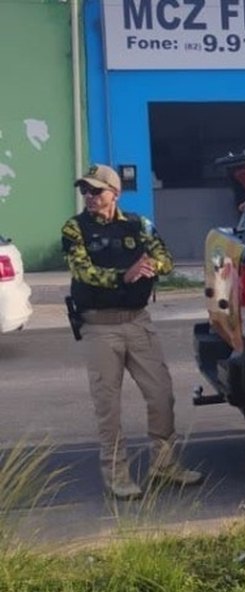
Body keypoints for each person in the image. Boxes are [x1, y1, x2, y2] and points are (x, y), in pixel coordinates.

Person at [61, 164, 204, 499]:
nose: (90, 197)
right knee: (107, 405)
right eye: (85, 190)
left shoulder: (139, 225)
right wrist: (124, 275)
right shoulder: (74, 228)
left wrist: (150, 266)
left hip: (138, 321)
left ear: (115, 193)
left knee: (161, 394)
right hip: (99, 326)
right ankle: (116, 473)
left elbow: (166, 259)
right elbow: (83, 272)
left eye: (96, 191)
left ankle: (164, 465)